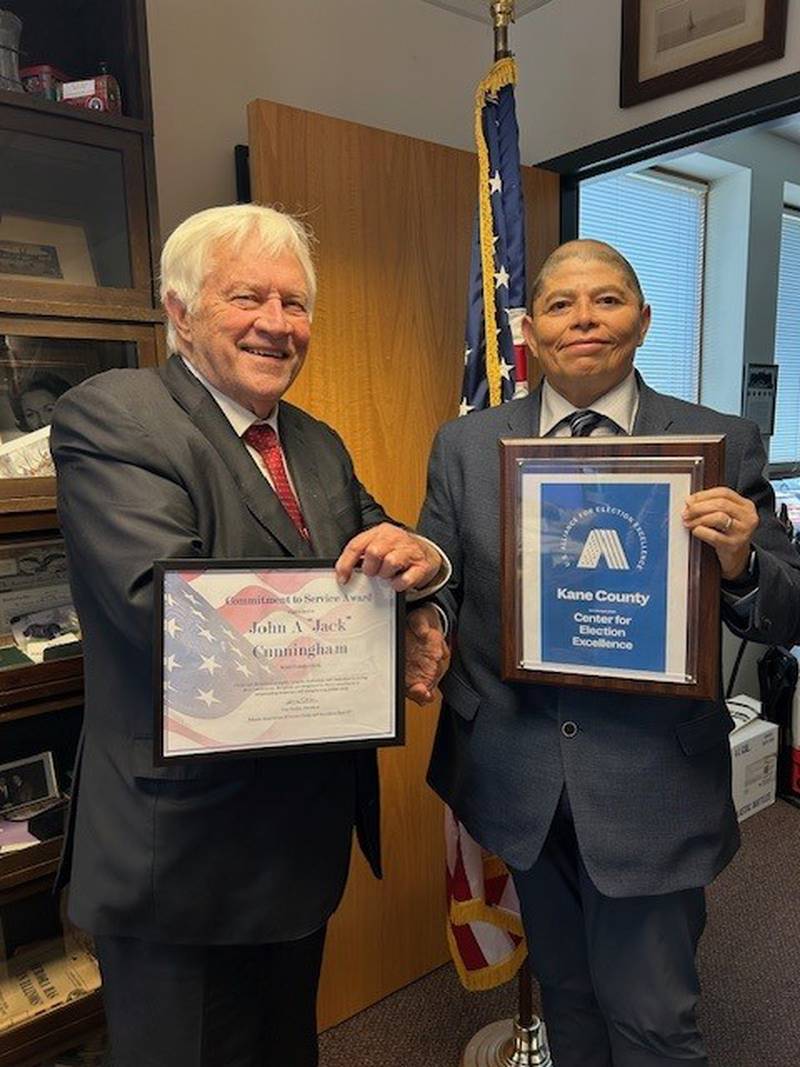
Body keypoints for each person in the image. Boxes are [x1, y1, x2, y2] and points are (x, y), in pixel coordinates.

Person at [50, 203, 447, 1067]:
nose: (277, 323)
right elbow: (170, 617)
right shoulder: (112, 416)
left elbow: (377, 543)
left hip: (297, 850)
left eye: (295, 302)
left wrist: (421, 587)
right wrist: (360, 641)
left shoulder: (314, 439)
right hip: (182, 855)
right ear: (180, 309)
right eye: (247, 298)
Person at [407, 239, 800, 1067]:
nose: (583, 319)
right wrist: (429, 621)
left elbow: (786, 606)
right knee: (569, 1002)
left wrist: (740, 562)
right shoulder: (467, 444)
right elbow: (441, 571)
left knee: (654, 1024)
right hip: (516, 775)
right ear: (530, 327)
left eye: (608, 300)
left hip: (650, 785)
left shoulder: (716, 440)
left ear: (644, 319)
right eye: (559, 303)